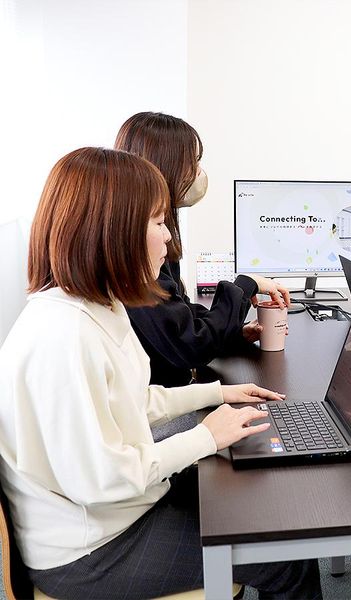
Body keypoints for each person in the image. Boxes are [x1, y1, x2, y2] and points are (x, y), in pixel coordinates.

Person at [0, 147, 322, 599]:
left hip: (117, 511)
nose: (169, 237)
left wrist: (217, 394)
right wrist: (205, 436)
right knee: (286, 556)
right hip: (92, 550)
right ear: (113, 232)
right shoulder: (65, 336)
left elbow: (131, 402)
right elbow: (103, 480)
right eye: (157, 222)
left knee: (257, 500)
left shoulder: (99, 305)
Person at [115, 112, 291, 389]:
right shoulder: (135, 251)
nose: (198, 173)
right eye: (192, 162)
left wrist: (233, 333)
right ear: (167, 166)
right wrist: (245, 285)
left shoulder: (149, 238)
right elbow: (190, 344)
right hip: (161, 399)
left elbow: (179, 314)